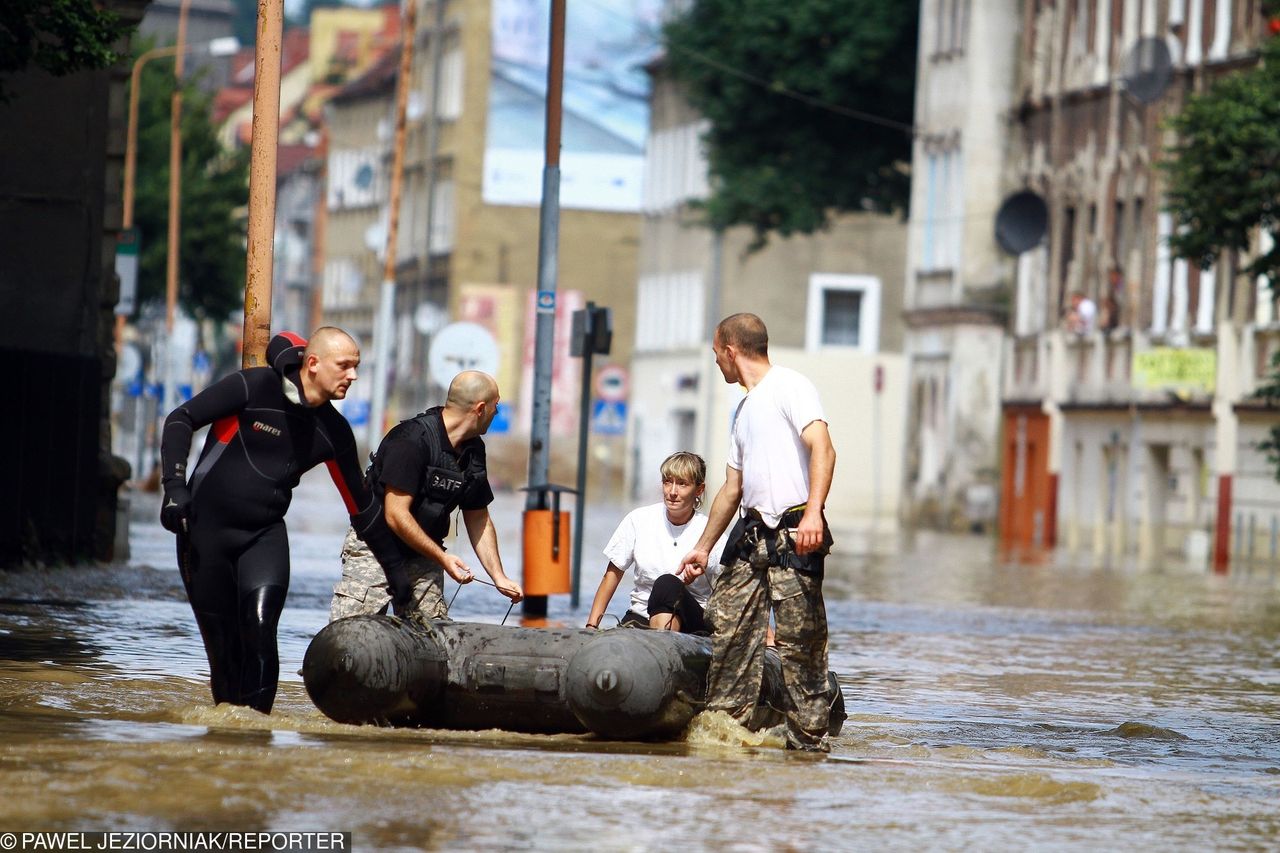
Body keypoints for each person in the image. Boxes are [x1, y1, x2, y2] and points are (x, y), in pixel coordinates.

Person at [160, 327, 403, 714]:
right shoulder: (254, 388)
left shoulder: (334, 431)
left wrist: (398, 576)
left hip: (264, 535)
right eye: (344, 366)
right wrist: (174, 487)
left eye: (356, 367)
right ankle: (227, 737)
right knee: (224, 652)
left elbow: (364, 509)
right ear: (312, 364)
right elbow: (181, 418)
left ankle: (257, 736)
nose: (353, 376)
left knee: (259, 629)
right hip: (204, 532)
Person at [678, 313, 836, 752]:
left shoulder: (791, 386)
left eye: (716, 355)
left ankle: (809, 741)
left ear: (731, 350)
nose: (716, 364)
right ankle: (726, 733)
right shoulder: (744, 408)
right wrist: (703, 548)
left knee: (800, 644)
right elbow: (733, 487)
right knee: (727, 628)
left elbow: (823, 447)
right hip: (750, 539)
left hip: (795, 532)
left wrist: (814, 514)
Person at [330, 370, 522, 623]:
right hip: (375, 547)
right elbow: (396, 515)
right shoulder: (410, 441)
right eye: (495, 407)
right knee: (351, 633)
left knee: (433, 637)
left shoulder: (474, 449)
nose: (496, 414)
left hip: (423, 553)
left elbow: (478, 517)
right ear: (480, 408)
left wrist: (499, 576)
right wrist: (443, 558)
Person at [585, 451, 722, 633]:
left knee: (666, 584)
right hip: (642, 615)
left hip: (692, 622)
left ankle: (665, 648)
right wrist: (591, 626)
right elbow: (612, 574)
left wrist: (768, 640)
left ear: (699, 490)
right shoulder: (638, 519)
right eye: (668, 482)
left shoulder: (711, 533)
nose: (672, 492)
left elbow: (737, 589)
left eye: (682, 484)